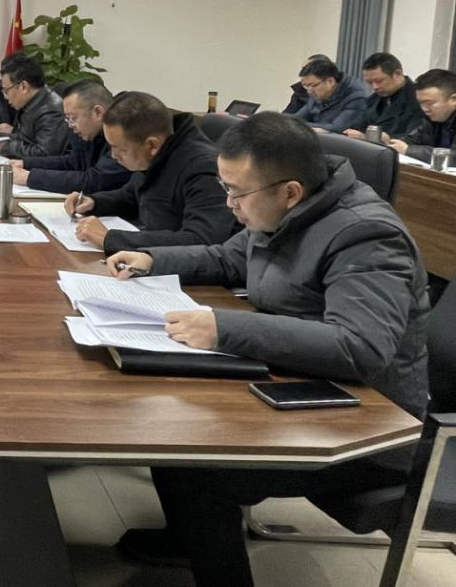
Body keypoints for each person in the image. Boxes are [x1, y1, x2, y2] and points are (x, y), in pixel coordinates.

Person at [106, 112, 429, 587]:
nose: (229, 204)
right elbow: (227, 257)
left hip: (370, 426)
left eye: (236, 192)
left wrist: (224, 327)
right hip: (306, 382)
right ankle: (187, 541)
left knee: (200, 467)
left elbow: (360, 347)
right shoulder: (284, 210)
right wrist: (152, 259)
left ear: (290, 191)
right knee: (170, 419)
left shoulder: (367, 235)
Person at [66, 91, 233, 254]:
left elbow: (201, 240)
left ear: (152, 145)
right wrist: (94, 202)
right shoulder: (157, 151)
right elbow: (131, 197)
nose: (113, 155)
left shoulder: (204, 167)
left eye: (120, 149)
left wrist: (110, 238)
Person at [10, 79, 130, 194]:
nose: (70, 125)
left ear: (98, 112)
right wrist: (26, 163)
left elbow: (93, 181)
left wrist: (29, 177)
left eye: (73, 118)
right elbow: (74, 162)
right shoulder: (90, 133)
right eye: (67, 119)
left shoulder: (123, 136)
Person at [0, 56, 68, 160]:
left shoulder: (50, 111)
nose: (5, 97)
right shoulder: (32, 103)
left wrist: (8, 147)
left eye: (6, 90)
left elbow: (44, 154)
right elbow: (24, 138)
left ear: (23, 87)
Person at [343, 52, 424, 139]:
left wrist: (367, 138)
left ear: (398, 74)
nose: (374, 87)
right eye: (369, 83)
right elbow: (355, 127)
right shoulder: (372, 100)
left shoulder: (421, 99)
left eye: (379, 81)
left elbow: (415, 137)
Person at [385, 67, 456, 162]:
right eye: (421, 103)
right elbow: (413, 139)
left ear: (454, 99)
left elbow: (454, 157)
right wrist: (389, 140)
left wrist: (408, 150)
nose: (424, 109)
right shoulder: (432, 119)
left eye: (429, 103)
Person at [290, 57, 371, 133]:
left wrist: (301, 125)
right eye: (305, 86)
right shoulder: (317, 93)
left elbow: (337, 129)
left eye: (312, 85)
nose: (309, 91)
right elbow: (297, 119)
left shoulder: (355, 97)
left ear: (330, 82)